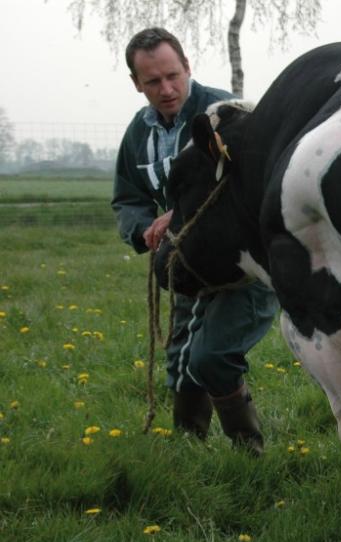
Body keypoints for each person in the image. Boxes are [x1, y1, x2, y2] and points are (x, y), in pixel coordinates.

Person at [112, 27, 278, 454]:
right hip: (186, 266)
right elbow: (128, 197)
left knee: (212, 357)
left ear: (187, 66)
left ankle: (248, 453)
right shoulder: (138, 134)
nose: (166, 89)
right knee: (182, 362)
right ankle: (189, 450)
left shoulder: (227, 117)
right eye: (152, 81)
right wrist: (143, 226)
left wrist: (180, 214)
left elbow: (253, 188)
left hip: (242, 265)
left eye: (173, 75)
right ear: (136, 83)